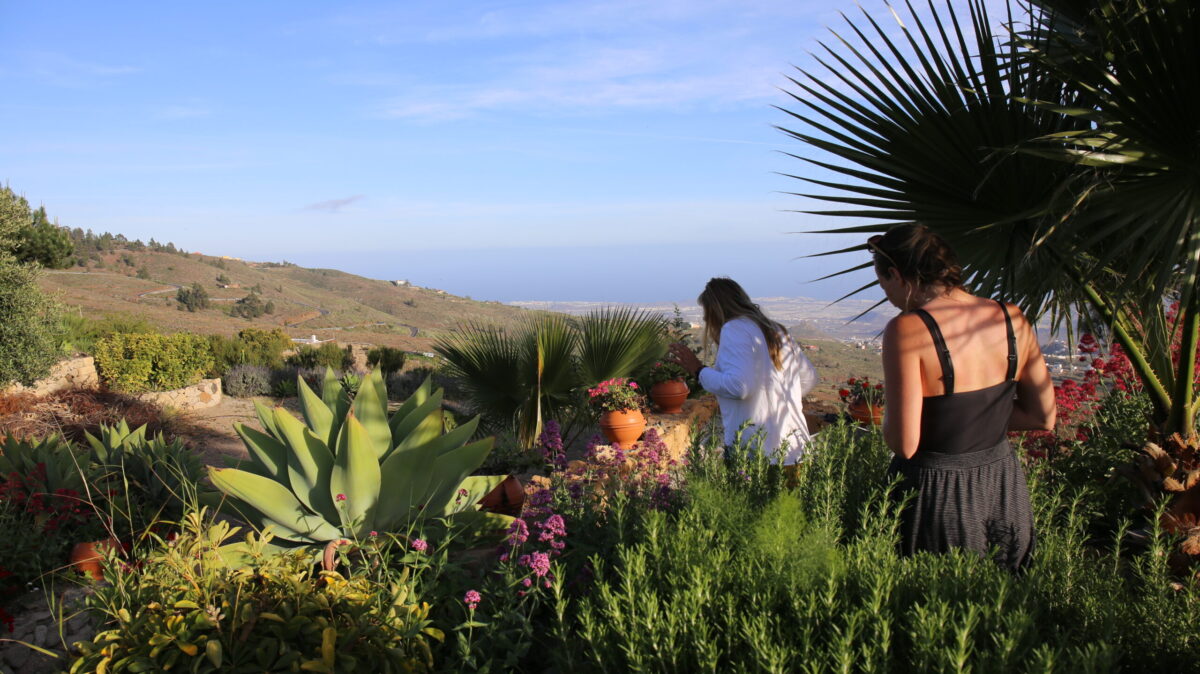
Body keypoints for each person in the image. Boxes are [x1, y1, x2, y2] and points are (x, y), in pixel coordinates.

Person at [870, 224, 1055, 571]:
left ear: (897, 274)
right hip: (1002, 485)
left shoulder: (907, 328)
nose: (889, 297)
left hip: (937, 492)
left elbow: (904, 444)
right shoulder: (1011, 317)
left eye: (884, 285)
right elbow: (1042, 416)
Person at [668, 277, 819, 464]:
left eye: (706, 312)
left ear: (715, 309)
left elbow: (739, 387)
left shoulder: (734, 328)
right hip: (795, 449)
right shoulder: (776, 329)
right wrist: (774, 398)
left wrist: (698, 370)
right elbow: (809, 378)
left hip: (755, 452)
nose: (705, 318)